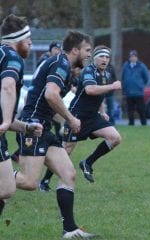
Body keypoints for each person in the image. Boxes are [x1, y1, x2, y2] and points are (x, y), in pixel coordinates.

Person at [15, 31, 97, 238]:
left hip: (44, 127)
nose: (90, 55)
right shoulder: (60, 63)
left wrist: (65, 121)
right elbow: (51, 95)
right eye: (87, 50)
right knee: (29, 182)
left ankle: (69, 230)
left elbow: (48, 101)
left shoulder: (62, 64)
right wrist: (70, 119)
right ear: (75, 50)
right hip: (33, 126)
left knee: (68, 174)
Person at [39, 45, 122, 186]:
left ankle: (87, 163)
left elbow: (99, 94)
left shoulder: (106, 74)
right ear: (94, 58)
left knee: (115, 138)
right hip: (76, 116)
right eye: (101, 56)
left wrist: (102, 112)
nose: (105, 59)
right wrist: (112, 86)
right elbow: (90, 90)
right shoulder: (88, 71)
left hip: (93, 117)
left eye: (107, 57)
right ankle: (45, 181)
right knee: (66, 150)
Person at [0, 14, 43, 216]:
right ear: (18, 40)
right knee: (6, 188)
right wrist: (7, 120)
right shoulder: (12, 57)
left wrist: (25, 127)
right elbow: (8, 87)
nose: (31, 44)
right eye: (29, 40)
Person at [121, 50, 149, 126]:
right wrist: (124, 87)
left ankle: (143, 123)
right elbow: (123, 77)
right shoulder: (126, 66)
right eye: (131, 56)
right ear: (129, 58)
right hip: (128, 92)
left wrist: (140, 85)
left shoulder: (141, 66)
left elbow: (146, 78)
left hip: (138, 92)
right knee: (130, 109)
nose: (133, 58)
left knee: (141, 109)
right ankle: (131, 123)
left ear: (137, 57)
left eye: (134, 56)